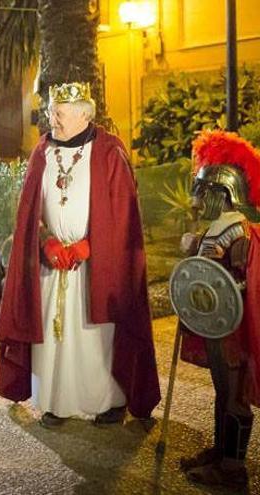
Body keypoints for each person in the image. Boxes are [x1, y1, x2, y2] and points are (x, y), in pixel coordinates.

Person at [0, 82, 161, 428]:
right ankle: (55, 403)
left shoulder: (109, 151)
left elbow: (122, 214)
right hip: (52, 265)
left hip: (94, 267)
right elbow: (28, 211)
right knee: (54, 337)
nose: (51, 118)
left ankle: (107, 402)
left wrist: (92, 246)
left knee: (92, 336)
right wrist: (45, 241)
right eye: (52, 111)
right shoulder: (41, 151)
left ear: (84, 115)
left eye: (59, 113)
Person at [176, 130, 260, 490]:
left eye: (203, 191)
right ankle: (220, 450)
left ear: (222, 193)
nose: (196, 199)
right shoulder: (218, 227)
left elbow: (241, 281)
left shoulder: (240, 230)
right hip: (214, 323)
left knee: (235, 394)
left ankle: (232, 468)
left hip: (232, 328)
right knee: (222, 391)